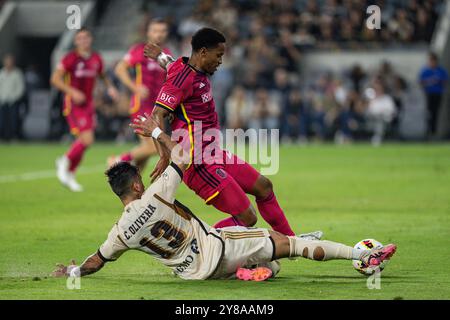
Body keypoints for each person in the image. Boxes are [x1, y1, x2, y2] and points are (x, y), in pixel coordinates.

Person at [51, 116, 397, 281]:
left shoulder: (119, 233)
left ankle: (249, 271)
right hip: (218, 248)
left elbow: (97, 260)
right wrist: (157, 133)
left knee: (270, 265)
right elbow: (182, 154)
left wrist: (72, 270)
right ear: (138, 186)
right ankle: (363, 255)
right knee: (287, 244)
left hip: (193, 274)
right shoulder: (155, 196)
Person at [144, 28, 298, 237]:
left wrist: (159, 55)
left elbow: (169, 63)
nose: (220, 61)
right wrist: (164, 155)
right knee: (247, 218)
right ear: (204, 53)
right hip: (197, 163)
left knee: (264, 187)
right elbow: (157, 113)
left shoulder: (184, 66)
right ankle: (198, 249)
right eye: (219, 55)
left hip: (214, 153)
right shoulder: (182, 80)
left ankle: (290, 241)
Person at [51, 28, 118, 192]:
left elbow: (102, 75)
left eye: (86, 37)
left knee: (85, 141)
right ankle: (65, 161)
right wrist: (72, 91)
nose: (83, 41)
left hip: (88, 104)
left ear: (90, 39)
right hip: (74, 104)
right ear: (76, 41)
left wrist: (111, 88)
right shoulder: (70, 58)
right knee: (87, 139)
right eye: (80, 38)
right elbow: (55, 79)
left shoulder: (96, 58)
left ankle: (70, 173)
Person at [109, 18, 173, 171]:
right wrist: (135, 87)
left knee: (156, 151)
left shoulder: (167, 53)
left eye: (162, 31)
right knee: (153, 148)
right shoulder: (140, 50)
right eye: (155, 31)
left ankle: (135, 186)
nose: (159, 34)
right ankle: (118, 160)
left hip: (158, 109)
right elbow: (120, 69)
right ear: (148, 32)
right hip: (141, 105)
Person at [419, 52, 448, 137]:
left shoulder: (441, 70)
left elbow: (445, 81)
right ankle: (427, 131)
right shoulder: (425, 70)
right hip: (428, 94)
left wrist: (437, 82)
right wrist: (430, 82)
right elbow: (421, 82)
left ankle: (433, 132)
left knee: (435, 112)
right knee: (428, 113)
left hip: (437, 94)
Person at [0, 54, 25, 141]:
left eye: (10, 61)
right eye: (7, 61)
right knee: (2, 121)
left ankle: (14, 136)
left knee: (14, 120)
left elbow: (21, 88)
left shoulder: (17, 73)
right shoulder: (1, 73)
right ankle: (2, 137)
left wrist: (14, 98)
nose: (8, 63)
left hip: (13, 102)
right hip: (2, 101)